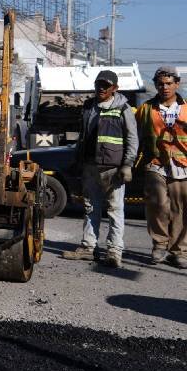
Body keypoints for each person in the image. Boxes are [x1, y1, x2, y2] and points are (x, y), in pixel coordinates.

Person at [63, 69, 139, 268]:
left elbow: (132, 139)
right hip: (90, 166)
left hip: (113, 169)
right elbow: (83, 135)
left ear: (115, 88)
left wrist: (127, 165)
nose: (101, 88)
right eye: (99, 84)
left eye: (106, 85)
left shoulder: (123, 108)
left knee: (115, 210)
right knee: (90, 208)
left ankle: (114, 252)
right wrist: (78, 160)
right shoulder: (89, 106)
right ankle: (89, 248)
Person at [135, 66, 187, 268]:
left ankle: (179, 251)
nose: (164, 87)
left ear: (177, 84)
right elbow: (135, 136)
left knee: (180, 209)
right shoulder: (146, 109)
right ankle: (159, 245)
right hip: (155, 163)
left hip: (182, 165)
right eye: (160, 84)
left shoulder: (186, 108)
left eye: (168, 83)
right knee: (157, 205)